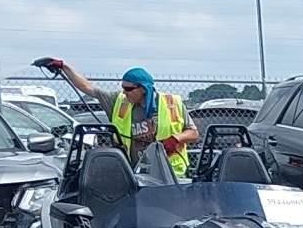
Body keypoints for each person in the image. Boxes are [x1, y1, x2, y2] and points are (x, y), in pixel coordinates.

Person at [35, 57, 196, 178]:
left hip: (169, 175)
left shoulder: (171, 104)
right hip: (134, 174)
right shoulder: (119, 102)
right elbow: (87, 87)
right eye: (123, 88)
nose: (124, 92)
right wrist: (64, 67)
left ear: (144, 89)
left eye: (128, 88)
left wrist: (175, 139)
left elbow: (193, 133)